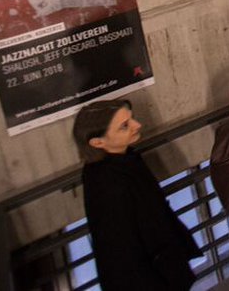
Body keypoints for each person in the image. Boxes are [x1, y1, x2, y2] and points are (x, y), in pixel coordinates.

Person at [74, 99, 199, 290]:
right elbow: (123, 252)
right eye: (124, 126)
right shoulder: (108, 184)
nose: (137, 125)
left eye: (131, 119)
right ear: (98, 142)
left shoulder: (124, 159)